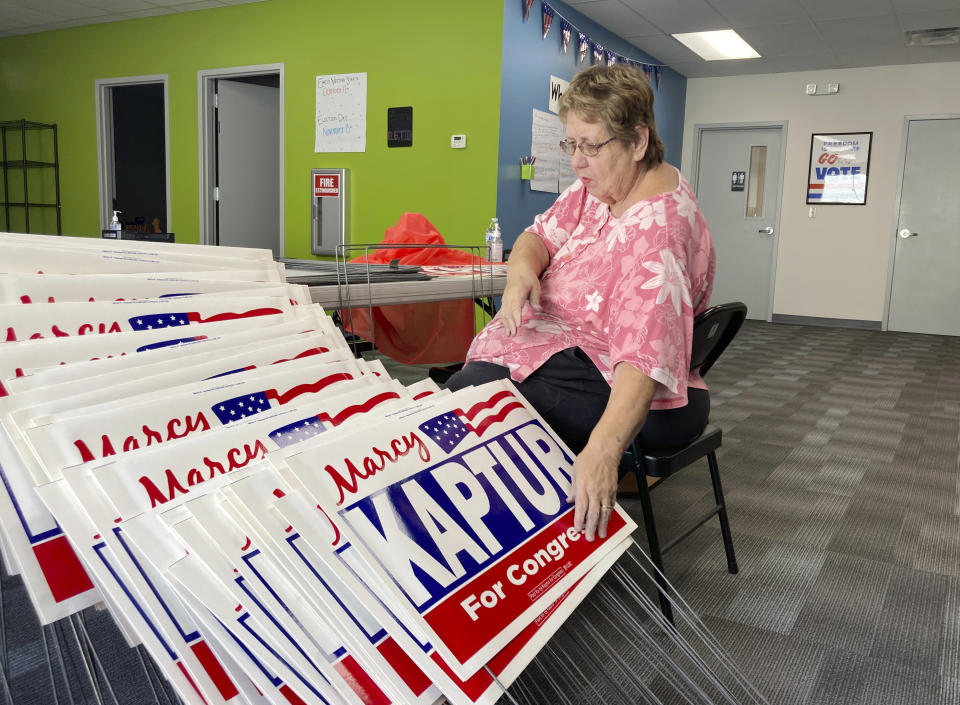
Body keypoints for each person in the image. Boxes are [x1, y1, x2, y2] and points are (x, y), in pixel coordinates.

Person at [446, 63, 715, 543]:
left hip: (641, 393)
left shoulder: (657, 233)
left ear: (637, 142)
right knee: (474, 390)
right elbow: (537, 235)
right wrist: (522, 270)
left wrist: (604, 451)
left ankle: (504, 546)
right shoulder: (602, 186)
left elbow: (644, 357)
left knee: (481, 396)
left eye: (590, 145)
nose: (577, 161)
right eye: (570, 144)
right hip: (582, 355)